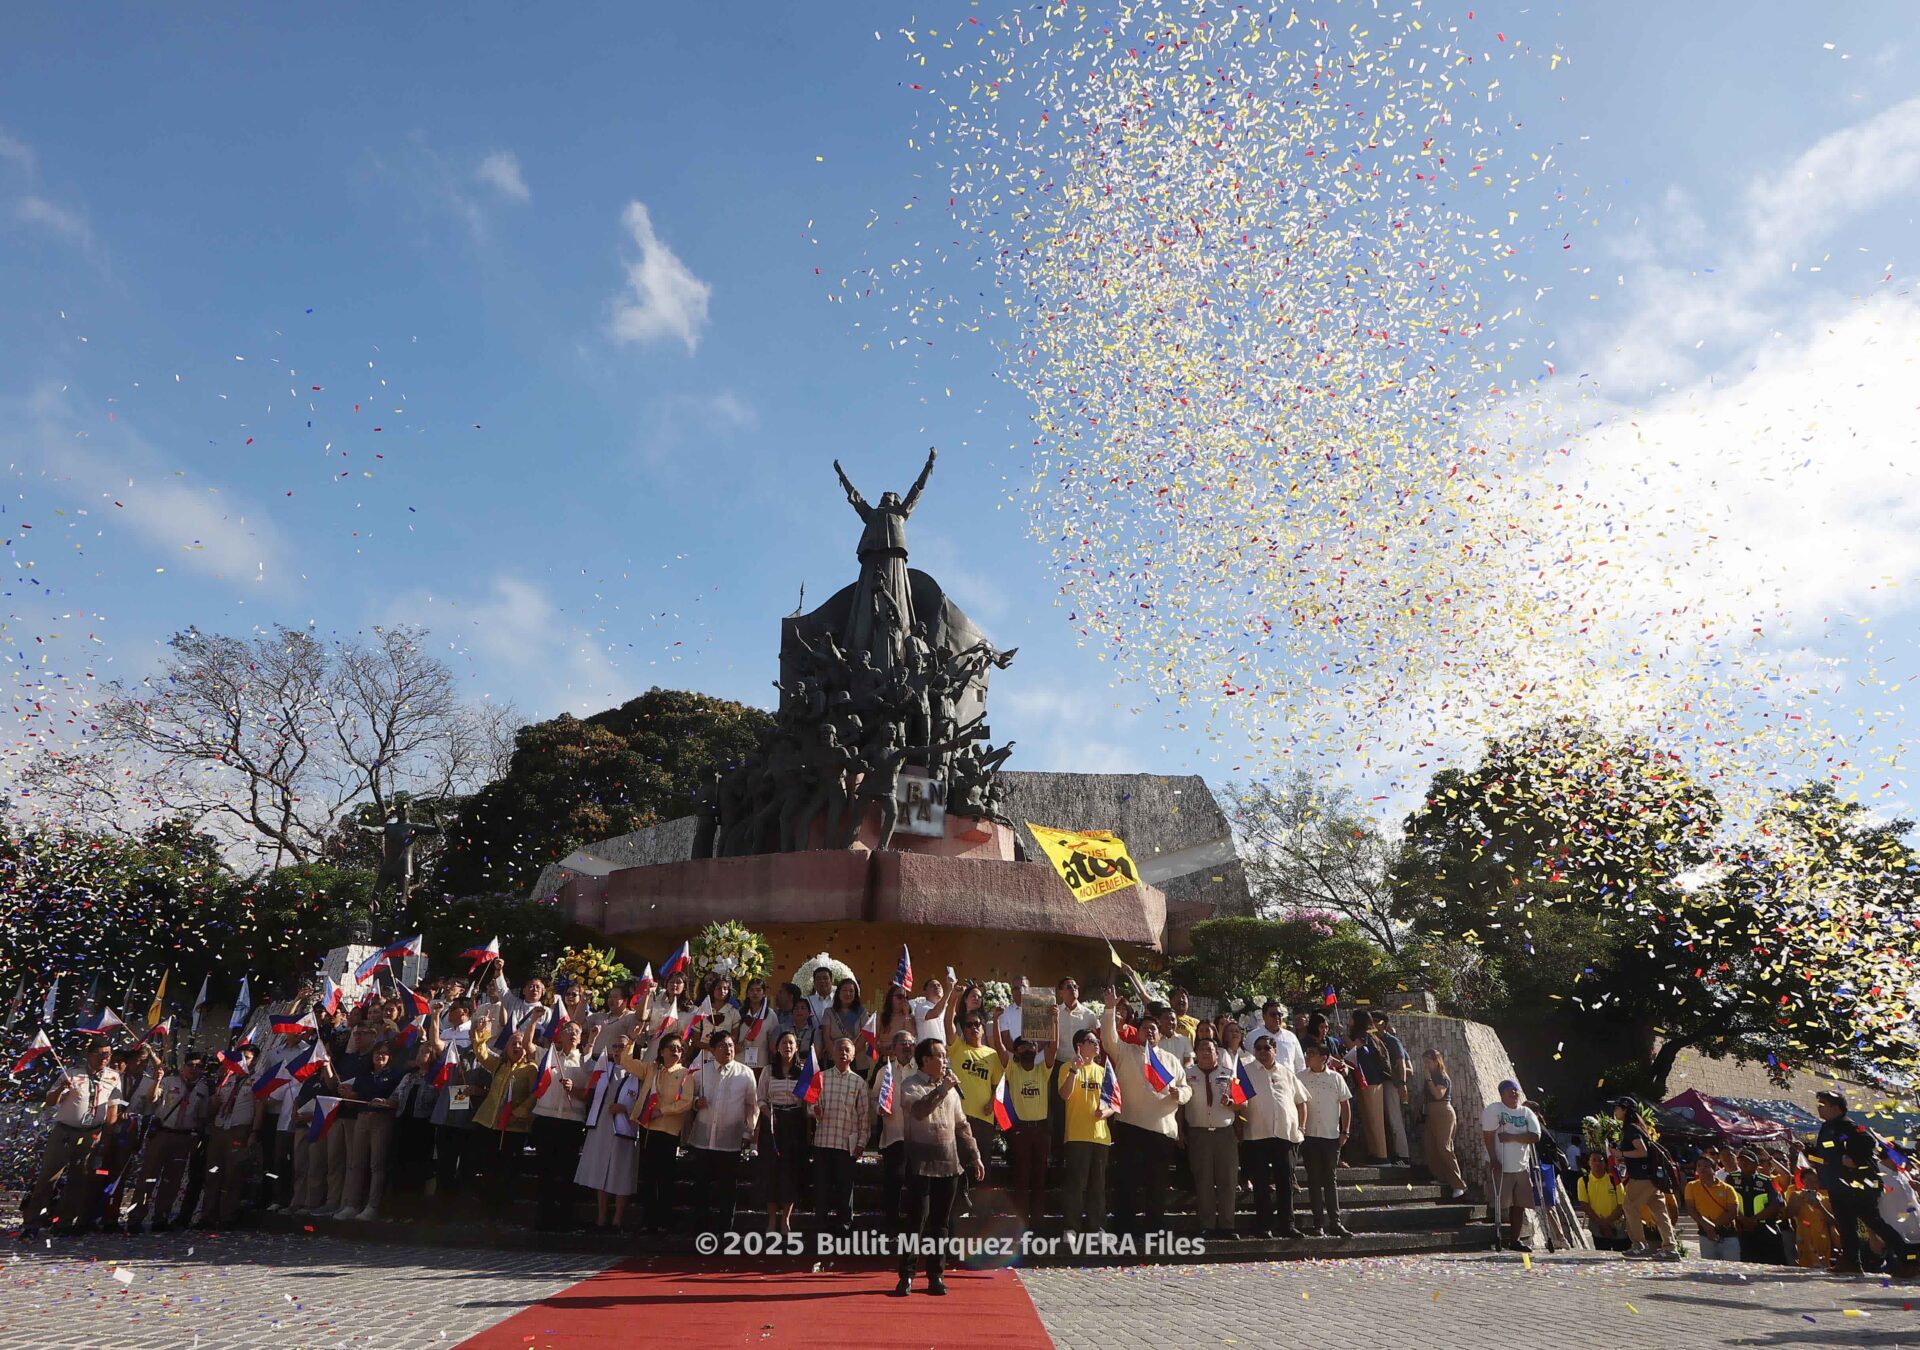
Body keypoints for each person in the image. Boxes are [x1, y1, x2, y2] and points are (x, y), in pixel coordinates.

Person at [892, 1037, 985, 1298]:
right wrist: (942, 1089)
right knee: (915, 1222)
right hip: (919, 1164)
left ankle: (936, 1275)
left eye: (946, 1056)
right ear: (925, 1060)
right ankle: (906, 1276)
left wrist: (975, 1154)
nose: (945, 1061)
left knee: (941, 1224)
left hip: (949, 1164)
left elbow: (962, 1125)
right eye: (941, 1056)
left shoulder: (951, 1088)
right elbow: (920, 1111)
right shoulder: (910, 1085)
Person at [1099, 987, 1190, 1241]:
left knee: (1157, 1185)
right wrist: (1109, 1009)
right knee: (1126, 1181)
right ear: (1137, 1033)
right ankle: (1124, 1227)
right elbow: (1108, 1039)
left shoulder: (1171, 1060)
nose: (1149, 1032)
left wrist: (1178, 1095)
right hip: (1130, 1127)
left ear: (1160, 1034)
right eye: (1144, 1028)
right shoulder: (1126, 1052)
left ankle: (1155, 1228)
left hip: (1161, 1132)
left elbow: (1187, 1090)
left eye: (1153, 1029)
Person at [21, 1040, 124, 1237]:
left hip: (92, 1133)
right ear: (89, 1055)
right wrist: (62, 1089)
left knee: (79, 1179)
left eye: (108, 1055)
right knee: (49, 1177)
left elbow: (113, 1106)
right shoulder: (72, 1073)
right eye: (101, 1054)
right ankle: (32, 1223)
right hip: (66, 1132)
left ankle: (65, 1222)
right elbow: (50, 1101)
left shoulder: (113, 1076)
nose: (105, 1058)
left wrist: (107, 1134)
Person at [1813, 1089, 1906, 1274]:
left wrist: (1853, 1158)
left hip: (1858, 1185)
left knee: (1874, 1222)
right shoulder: (1828, 1126)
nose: (1819, 1109)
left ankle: (1908, 1258)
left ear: (1836, 1108)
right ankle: (1851, 1262)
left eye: (1823, 1105)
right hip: (1838, 1185)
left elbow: (1867, 1141)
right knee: (1846, 1225)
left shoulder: (1848, 1126)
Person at [126, 1051, 211, 1233]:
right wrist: (157, 1080)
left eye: (199, 1066)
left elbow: (202, 1116)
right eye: (191, 1065)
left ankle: (161, 1217)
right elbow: (152, 1099)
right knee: (148, 1175)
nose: (194, 1069)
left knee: (172, 1179)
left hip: (184, 1136)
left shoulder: (202, 1089)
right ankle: (136, 1217)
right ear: (183, 1066)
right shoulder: (169, 1081)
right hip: (162, 1133)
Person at [683, 1029, 759, 1234]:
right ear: (712, 1050)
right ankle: (700, 1231)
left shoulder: (746, 1073)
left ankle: (726, 1232)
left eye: (731, 1046)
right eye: (723, 1046)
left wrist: (748, 1133)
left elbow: (752, 1106)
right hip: (703, 1140)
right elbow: (686, 1097)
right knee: (701, 1189)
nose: (729, 1049)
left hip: (731, 1141)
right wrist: (694, 1103)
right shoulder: (700, 1071)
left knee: (728, 1191)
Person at [1240, 1033, 1310, 1240]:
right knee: (1261, 1184)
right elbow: (1237, 1102)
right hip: (1257, 1135)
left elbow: (1301, 1101)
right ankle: (1264, 1226)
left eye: (1266, 1048)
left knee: (1285, 1183)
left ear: (1275, 1051)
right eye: (1258, 1048)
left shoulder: (1287, 1072)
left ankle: (1288, 1225)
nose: (1262, 1052)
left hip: (1285, 1135)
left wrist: (1302, 1128)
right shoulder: (1245, 1072)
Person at [575, 1033, 644, 1231]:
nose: (617, 1049)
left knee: (620, 1173)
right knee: (601, 1172)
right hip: (602, 1125)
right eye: (614, 1045)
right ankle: (602, 1216)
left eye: (621, 1046)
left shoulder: (638, 1074)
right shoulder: (605, 1068)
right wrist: (593, 1039)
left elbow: (644, 1103)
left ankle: (618, 1219)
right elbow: (586, 1064)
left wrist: (626, 1109)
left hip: (626, 1126)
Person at [527, 1021, 591, 1230]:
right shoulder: (548, 1056)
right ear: (559, 1036)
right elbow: (528, 1046)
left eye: (577, 1031)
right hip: (546, 1120)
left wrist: (574, 1089)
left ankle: (565, 1217)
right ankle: (543, 1217)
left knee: (566, 1172)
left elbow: (588, 1095)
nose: (573, 1034)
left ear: (581, 1038)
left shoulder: (586, 1062)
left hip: (570, 1123)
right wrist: (534, 1020)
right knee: (545, 1171)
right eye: (568, 1030)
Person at [470, 1016, 538, 1204]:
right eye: (513, 1044)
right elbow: (481, 1053)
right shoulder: (499, 1064)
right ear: (507, 1048)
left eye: (521, 1044)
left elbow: (536, 1094)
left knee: (509, 1167)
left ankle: (505, 1201)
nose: (517, 1047)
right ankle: (487, 1200)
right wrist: (482, 1031)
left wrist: (521, 1111)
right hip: (489, 1122)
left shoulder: (531, 1068)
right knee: (488, 1164)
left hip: (513, 1126)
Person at [632, 1031, 693, 1233]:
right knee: (648, 1177)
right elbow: (626, 1062)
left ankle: (666, 1220)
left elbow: (685, 1102)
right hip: (648, 1128)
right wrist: (632, 1040)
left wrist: (663, 1111)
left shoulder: (685, 1073)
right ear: (661, 1051)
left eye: (679, 1048)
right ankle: (649, 1221)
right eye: (672, 1048)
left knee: (666, 1178)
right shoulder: (652, 1069)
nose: (676, 1051)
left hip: (668, 1130)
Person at [1056, 1028, 1114, 1236]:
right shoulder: (1066, 1067)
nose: (1097, 1043)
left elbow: (1114, 1104)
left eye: (1097, 1040)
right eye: (1091, 1041)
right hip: (1076, 1135)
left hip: (1100, 1136)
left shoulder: (1104, 1071)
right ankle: (1071, 1227)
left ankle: (1097, 1226)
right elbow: (1064, 1094)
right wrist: (1074, 1070)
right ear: (1079, 1045)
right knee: (1075, 1183)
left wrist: (1104, 1112)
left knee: (1098, 1185)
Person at [337, 1041, 403, 1220]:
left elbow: (398, 1099)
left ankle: (372, 1206)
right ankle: (351, 1205)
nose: (380, 1056)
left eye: (384, 1053)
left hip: (382, 1119)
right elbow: (352, 1102)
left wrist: (386, 1102)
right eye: (377, 1052)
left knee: (377, 1164)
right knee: (356, 1163)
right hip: (362, 1119)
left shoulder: (396, 1074)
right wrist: (346, 1094)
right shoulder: (363, 1075)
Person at [811, 1035, 870, 1237]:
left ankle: (844, 1230)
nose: (843, 1053)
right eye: (840, 1050)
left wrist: (862, 1143)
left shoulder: (859, 1083)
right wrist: (814, 1110)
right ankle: (821, 1229)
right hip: (823, 1142)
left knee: (845, 1191)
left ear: (853, 1056)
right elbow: (811, 1105)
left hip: (847, 1145)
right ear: (832, 1053)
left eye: (847, 1050)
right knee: (822, 1190)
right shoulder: (820, 1077)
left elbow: (864, 1117)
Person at [1182, 1037, 1240, 1241]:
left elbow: (1242, 1104)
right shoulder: (1187, 1074)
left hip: (1225, 1133)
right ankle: (1206, 1224)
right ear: (1196, 1052)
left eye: (1210, 1049)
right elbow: (1180, 1106)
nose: (1206, 1053)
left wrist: (1231, 1102)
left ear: (1218, 1053)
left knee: (1227, 1181)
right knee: (1203, 1180)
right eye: (1202, 1049)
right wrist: (1181, 1133)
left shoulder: (1230, 1074)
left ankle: (1227, 1225)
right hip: (1198, 1133)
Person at [949, 1010, 1005, 1215]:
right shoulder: (957, 1048)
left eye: (978, 1024)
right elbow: (948, 1024)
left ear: (983, 1028)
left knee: (983, 1164)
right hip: (959, 1117)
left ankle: (981, 1208)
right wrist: (952, 995)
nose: (974, 1028)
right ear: (963, 1030)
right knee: (958, 1163)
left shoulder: (991, 1055)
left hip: (984, 1119)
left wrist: (992, 1101)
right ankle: (958, 1205)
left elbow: (999, 1084)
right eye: (969, 1025)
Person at [1611, 1097, 1680, 1260]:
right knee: (1659, 1210)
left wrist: (1620, 1154)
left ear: (1625, 1110)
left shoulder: (1631, 1129)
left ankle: (1638, 1244)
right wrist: (1623, 1156)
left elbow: (1642, 1152)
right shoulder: (1638, 1127)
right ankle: (1670, 1247)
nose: (1615, 1111)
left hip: (1641, 1177)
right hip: (1652, 1177)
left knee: (1629, 1206)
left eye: (1617, 1108)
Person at [1479, 1078, 1541, 1252]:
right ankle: (1497, 1235)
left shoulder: (1526, 1112)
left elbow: (1535, 1136)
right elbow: (1489, 1135)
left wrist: (1512, 1137)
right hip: (1502, 1164)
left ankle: (1515, 1240)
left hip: (1521, 1166)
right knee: (1500, 1202)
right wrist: (1493, 1158)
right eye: (1509, 1091)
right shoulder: (1494, 1110)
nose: (1514, 1094)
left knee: (1519, 1204)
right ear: (1502, 1094)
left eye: (1515, 1091)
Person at [1299, 1041, 1353, 1238]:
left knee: (1330, 1180)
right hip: (1309, 1135)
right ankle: (1318, 1223)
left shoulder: (1336, 1078)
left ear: (1323, 1058)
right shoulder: (1300, 1077)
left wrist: (1345, 1131)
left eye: (1312, 1053)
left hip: (1331, 1135)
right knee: (1313, 1180)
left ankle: (1335, 1222)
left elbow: (1345, 1105)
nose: (1308, 1056)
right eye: (1307, 1053)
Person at [758, 1031, 808, 1233]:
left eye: (791, 1043)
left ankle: (786, 1219)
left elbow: (809, 1101)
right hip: (771, 1122)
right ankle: (771, 1219)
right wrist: (769, 1114)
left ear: (796, 1048)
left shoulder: (804, 1071)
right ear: (777, 1047)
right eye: (784, 1042)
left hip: (794, 1123)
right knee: (771, 1172)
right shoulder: (768, 1071)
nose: (787, 1046)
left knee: (790, 1171)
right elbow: (760, 1098)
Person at [1000, 1035, 1051, 1230]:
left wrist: (1053, 1021)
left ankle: (1037, 1224)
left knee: (1039, 1179)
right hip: (1020, 1130)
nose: (1028, 1049)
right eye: (1022, 1047)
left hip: (1041, 1129)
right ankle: (1021, 1224)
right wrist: (996, 1021)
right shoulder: (1013, 1070)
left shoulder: (1042, 1070)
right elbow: (999, 1047)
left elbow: (1052, 1050)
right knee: (1021, 1178)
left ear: (1037, 1049)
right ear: (1016, 1052)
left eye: (1031, 1046)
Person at [873, 1030, 918, 1232]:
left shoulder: (922, 1070)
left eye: (910, 1043)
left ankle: (914, 1229)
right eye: (902, 1043)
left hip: (919, 1139)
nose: (907, 1047)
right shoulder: (885, 1072)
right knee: (893, 1186)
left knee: (917, 1187)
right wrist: (879, 1108)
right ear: (894, 1048)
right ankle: (891, 1227)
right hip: (894, 1136)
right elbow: (874, 1098)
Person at [1417, 1049, 1468, 1199]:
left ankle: (1459, 1184)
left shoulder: (1441, 1077)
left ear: (1436, 1061)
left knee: (1444, 1146)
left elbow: (1438, 1095)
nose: (1426, 1065)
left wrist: (1429, 1080)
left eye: (1428, 1062)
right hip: (1431, 1112)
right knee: (1430, 1145)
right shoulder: (1430, 1077)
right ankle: (1441, 1177)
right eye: (1424, 1062)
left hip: (1443, 1111)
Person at [1344, 1011, 1391, 1165]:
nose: (1349, 1020)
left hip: (1372, 1080)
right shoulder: (1365, 1034)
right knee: (1367, 1117)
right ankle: (1374, 1152)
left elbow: (1353, 1047)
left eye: (1351, 1017)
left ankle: (1382, 1155)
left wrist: (1343, 1036)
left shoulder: (1364, 1034)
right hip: (1363, 1081)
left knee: (1375, 1118)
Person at [1730, 1147, 1786, 1265]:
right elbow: (1728, 1201)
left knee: (1771, 1263)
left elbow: (1776, 1204)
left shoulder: (1767, 1181)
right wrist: (1742, 1219)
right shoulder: (1731, 1178)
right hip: (1742, 1229)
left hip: (1765, 1229)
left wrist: (1754, 1219)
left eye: (1748, 1161)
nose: (1744, 1163)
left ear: (1756, 1164)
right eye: (1741, 1160)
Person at [1372, 1014, 1413, 1165]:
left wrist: (1401, 1083)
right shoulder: (1372, 1040)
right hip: (1376, 1084)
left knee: (1394, 1119)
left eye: (1376, 1021)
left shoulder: (1392, 1041)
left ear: (1383, 1024)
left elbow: (1403, 1064)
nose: (1373, 1024)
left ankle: (1403, 1155)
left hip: (1390, 1083)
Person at [1784, 1159, 1838, 1269]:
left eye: (1815, 1180)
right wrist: (1802, 1200)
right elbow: (1789, 1215)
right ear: (1802, 1181)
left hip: (1822, 1238)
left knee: (1823, 1267)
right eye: (1809, 1180)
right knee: (1805, 1266)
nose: (1812, 1184)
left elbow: (1833, 1221)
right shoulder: (1795, 1195)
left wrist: (1820, 1206)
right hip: (1804, 1237)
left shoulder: (1825, 1198)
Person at [1687, 1155, 1742, 1261]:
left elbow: (1733, 1211)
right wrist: (1706, 1226)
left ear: (1714, 1168)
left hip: (1727, 1232)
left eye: (1706, 1166)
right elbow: (1691, 1209)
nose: (1702, 1168)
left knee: (1732, 1265)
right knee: (1709, 1266)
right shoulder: (1691, 1186)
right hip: (1705, 1232)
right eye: (1699, 1166)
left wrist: (1713, 1226)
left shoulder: (1727, 1188)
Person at [1576, 1149, 1629, 1250]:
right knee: (1602, 1254)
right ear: (1589, 1163)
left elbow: (1622, 1204)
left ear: (1605, 1163)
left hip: (1617, 1225)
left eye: (1600, 1160)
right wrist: (1601, 1223)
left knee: (1622, 1255)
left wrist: (1607, 1222)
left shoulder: (1614, 1179)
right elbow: (1585, 1205)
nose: (1597, 1163)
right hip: (1597, 1225)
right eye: (1594, 1160)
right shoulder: (1583, 1181)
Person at [818, 978, 871, 1073]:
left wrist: (851, 1053)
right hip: (833, 1059)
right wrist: (836, 1055)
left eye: (851, 991)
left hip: (857, 1060)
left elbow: (865, 1036)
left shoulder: (862, 1012)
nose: (848, 994)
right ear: (838, 993)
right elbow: (826, 1036)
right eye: (845, 990)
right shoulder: (829, 1012)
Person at [1255, 1001, 1306, 1074]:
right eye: (1273, 1014)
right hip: (1261, 1082)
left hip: (1287, 1082)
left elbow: (1300, 1064)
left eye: (1279, 1014)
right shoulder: (1253, 1036)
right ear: (1264, 1017)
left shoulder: (1291, 1037)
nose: (1277, 1017)